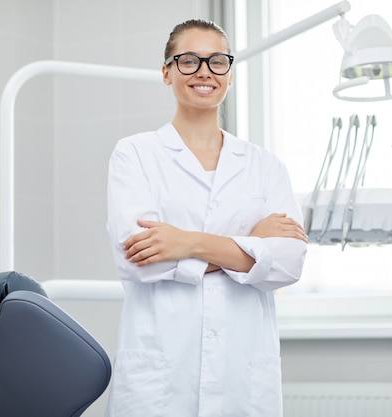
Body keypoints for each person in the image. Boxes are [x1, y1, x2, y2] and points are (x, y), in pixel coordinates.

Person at [105, 19, 308, 417]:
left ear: (230, 74)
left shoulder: (266, 167)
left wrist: (187, 243)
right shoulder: (135, 155)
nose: (204, 71)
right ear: (166, 72)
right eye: (189, 60)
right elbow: (139, 258)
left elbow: (288, 262)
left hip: (241, 370)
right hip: (161, 373)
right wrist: (251, 245)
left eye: (217, 61)